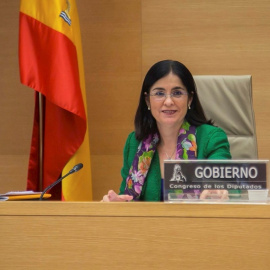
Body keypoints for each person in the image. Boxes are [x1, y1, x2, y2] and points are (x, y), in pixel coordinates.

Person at [102, 60, 231, 202]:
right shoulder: (134, 142)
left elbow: (223, 178)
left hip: (197, 223)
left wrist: (218, 188)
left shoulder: (211, 138)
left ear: (190, 99)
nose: (168, 101)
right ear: (147, 101)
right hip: (148, 224)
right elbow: (126, 198)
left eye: (177, 93)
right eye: (159, 93)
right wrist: (117, 203)